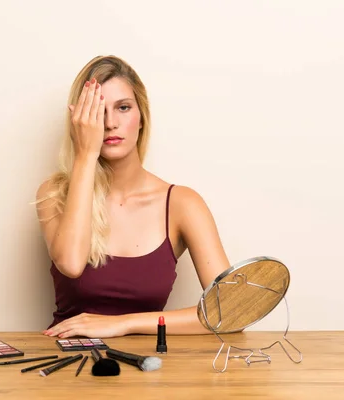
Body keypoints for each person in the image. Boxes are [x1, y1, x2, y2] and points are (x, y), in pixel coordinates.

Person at [35, 55, 231, 339]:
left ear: (142, 118)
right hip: (65, 365)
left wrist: (124, 323)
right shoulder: (54, 194)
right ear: (80, 122)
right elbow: (71, 263)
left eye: (123, 108)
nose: (110, 123)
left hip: (149, 370)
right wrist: (85, 154)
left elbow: (230, 309)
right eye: (97, 112)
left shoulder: (182, 204)